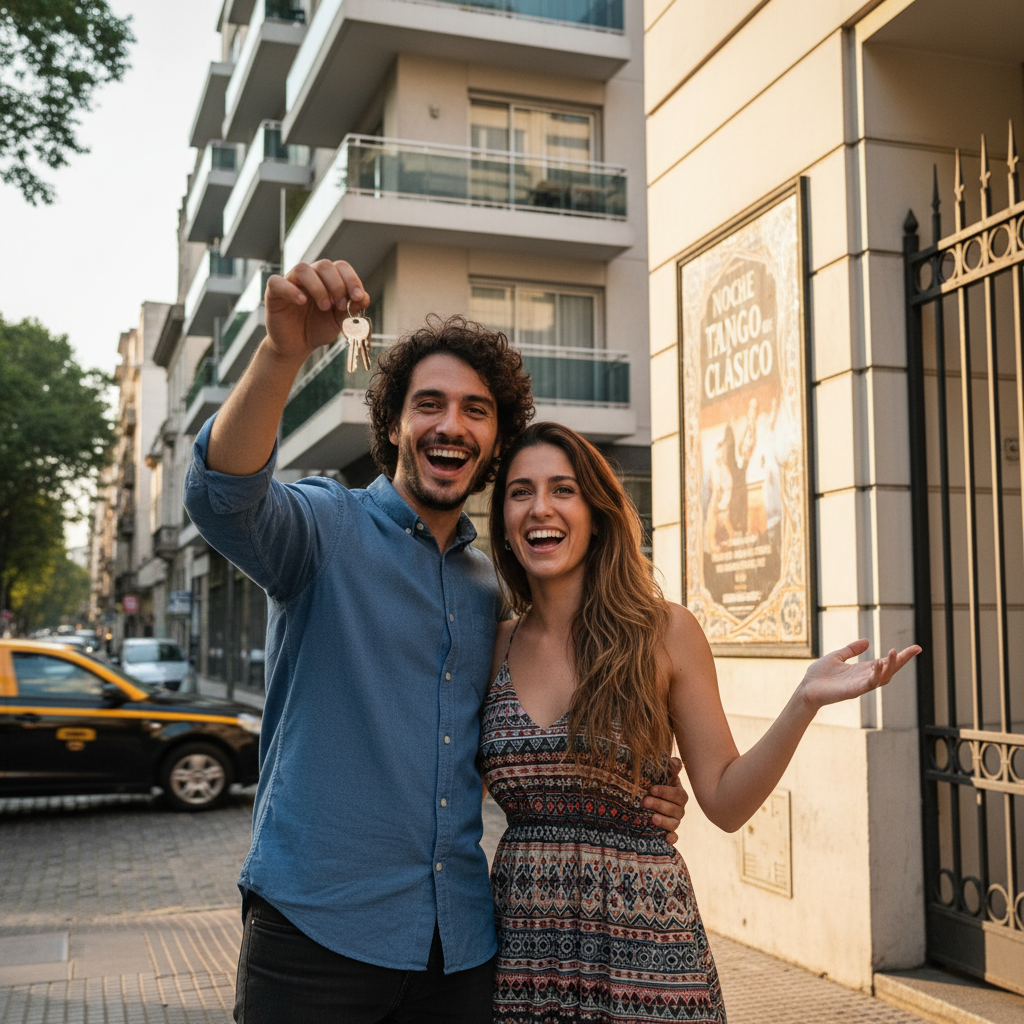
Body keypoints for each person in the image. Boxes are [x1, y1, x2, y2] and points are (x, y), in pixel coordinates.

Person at [182, 259, 689, 1023]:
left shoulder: (491, 590)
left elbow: (508, 747)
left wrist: (632, 789)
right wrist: (282, 353)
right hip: (316, 935)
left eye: (476, 411)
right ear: (393, 426)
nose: (452, 425)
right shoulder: (324, 530)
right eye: (430, 405)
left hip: (461, 946)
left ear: (494, 442)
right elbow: (223, 498)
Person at [479, 421, 921, 1024]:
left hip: (648, 951)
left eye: (563, 489)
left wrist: (802, 703)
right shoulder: (493, 646)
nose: (540, 508)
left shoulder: (664, 632)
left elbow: (725, 800)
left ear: (596, 513)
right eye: (520, 491)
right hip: (523, 952)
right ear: (504, 518)